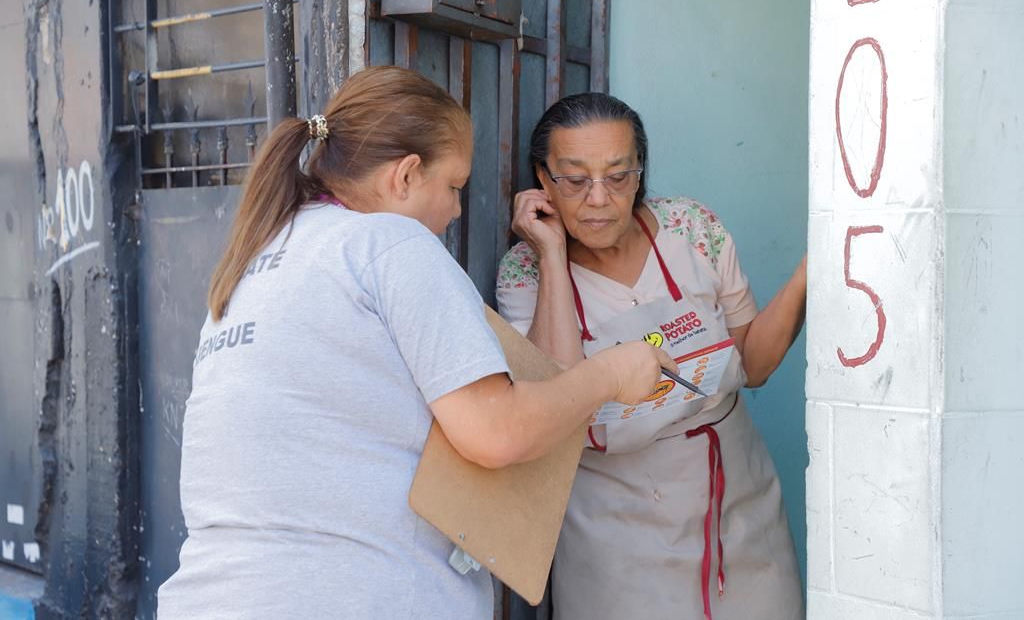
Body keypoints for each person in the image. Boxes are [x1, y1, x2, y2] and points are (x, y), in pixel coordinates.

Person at [157, 68, 676, 619]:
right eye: (453, 187)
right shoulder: (390, 243)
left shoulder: (260, 257)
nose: (456, 210)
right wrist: (612, 374)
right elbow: (495, 432)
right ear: (406, 175)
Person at [497, 92, 807, 620]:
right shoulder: (524, 273)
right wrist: (551, 255)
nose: (599, 198)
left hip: (737, 502)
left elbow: (753, 365)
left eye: (618, 176)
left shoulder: (692, 229)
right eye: (574, 180)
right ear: (543, 180)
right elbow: (553, 402)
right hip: (615, 528)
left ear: (640, 173)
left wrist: (806, 275)